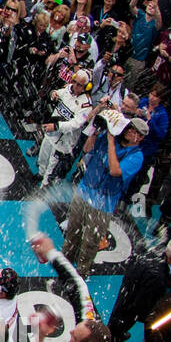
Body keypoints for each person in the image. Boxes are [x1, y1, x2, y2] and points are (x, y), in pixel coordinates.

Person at [62, 110, 148, 280]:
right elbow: (87, 149)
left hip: (103, 203)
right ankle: (64, 263)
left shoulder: (137, 156)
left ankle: (80, 275)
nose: (131, 133)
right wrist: (95, 130)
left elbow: (115, 170)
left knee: (90, 242)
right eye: (130, 128)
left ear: (141, 138)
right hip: (84, 191)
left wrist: (110, 139)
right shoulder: (106, 138)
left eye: (136, 133)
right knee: (73, 230)